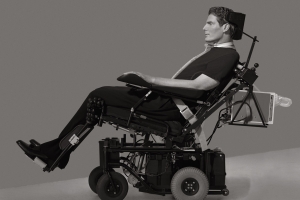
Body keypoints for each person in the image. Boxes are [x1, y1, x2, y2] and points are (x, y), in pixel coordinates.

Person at [17, 6, 240, 169]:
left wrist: (151, 80)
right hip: (165, 100)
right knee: (99, 98)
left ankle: (57, 151)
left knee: (98, 95)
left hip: (168, 106)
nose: (204, 27)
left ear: (226, 27)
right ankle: (60, 151)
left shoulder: (228, 54)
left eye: (210, 23)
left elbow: (201, 86)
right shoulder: (218, 52)